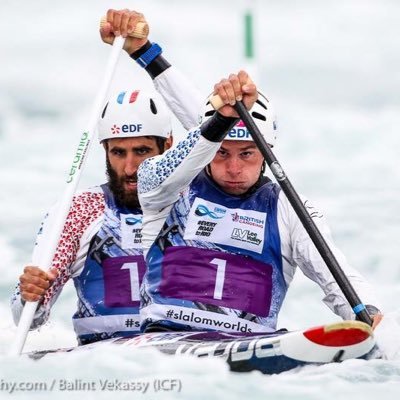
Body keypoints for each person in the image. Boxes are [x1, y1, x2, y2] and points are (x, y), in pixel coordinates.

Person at [97, 9, 383, 333]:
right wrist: (217, 116)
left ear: (267, 151)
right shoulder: (164, 187)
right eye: (222, 154)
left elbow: (335, 273)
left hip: (244, 348)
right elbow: (199, 137)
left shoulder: (288, 208)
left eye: (247, 154)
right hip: (165, 344)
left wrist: (368, 313)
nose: (233, 168)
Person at [11, 89, 173, 345]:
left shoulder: (194, 200)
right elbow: (26, 319)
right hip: (105, 357)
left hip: (189, 351)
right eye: (118, 153)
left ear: (168, 146)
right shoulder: (79, 210)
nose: (130, 168)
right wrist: (29, 295)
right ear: (105, 149)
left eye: (142, 151)